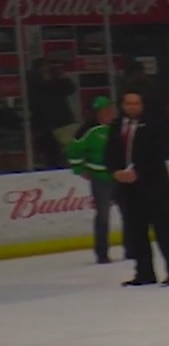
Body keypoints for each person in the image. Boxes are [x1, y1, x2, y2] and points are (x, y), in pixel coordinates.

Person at [104, 92, 169, 287]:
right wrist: (115, 172)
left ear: (142, 105)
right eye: (128, 103)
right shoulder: (116, 126)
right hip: (129, 189)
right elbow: (110, 152)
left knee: (164, 231)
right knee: (136, 233)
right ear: (123, 105)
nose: (132, 107)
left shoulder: (156, 124)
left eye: (136, 103)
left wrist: (138, 171)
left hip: (155, 186)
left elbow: (160, 152)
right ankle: (144, 272)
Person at [67, 96, 130, 264]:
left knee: (129, 213)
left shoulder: (119, 126)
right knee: (103, 215)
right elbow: (74, 151)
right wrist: (80, 170)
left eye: (110, 110)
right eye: (105, 111)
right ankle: (102, 253)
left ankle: (131, 248)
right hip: (100, 178)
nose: (109, 114)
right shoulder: (88, 130)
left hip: (120, 177)